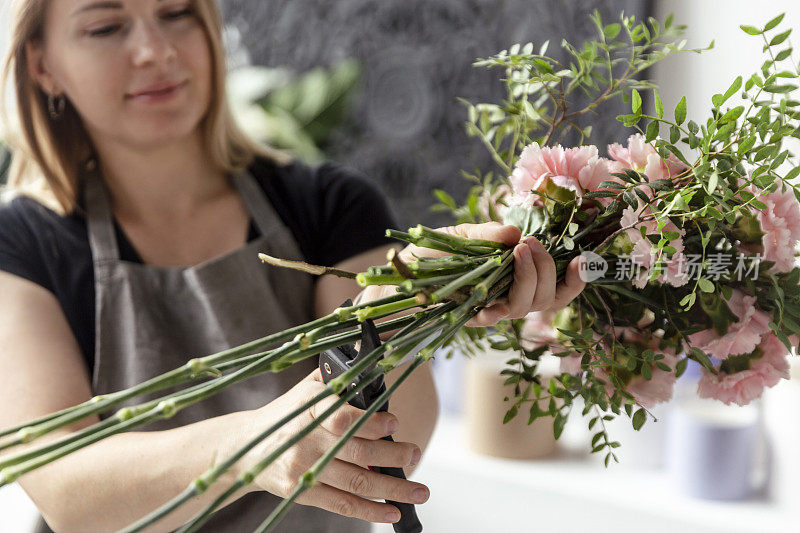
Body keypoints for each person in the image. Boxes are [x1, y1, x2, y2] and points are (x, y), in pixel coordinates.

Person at [0, 1, 586, 532]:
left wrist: (402, 307)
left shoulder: (328, 205)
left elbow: (398, 442)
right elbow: (65, 488)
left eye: (177, 13)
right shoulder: (25, 244)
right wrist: (254, 448)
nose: (157, 50)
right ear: (42, 63)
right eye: (106, 27)